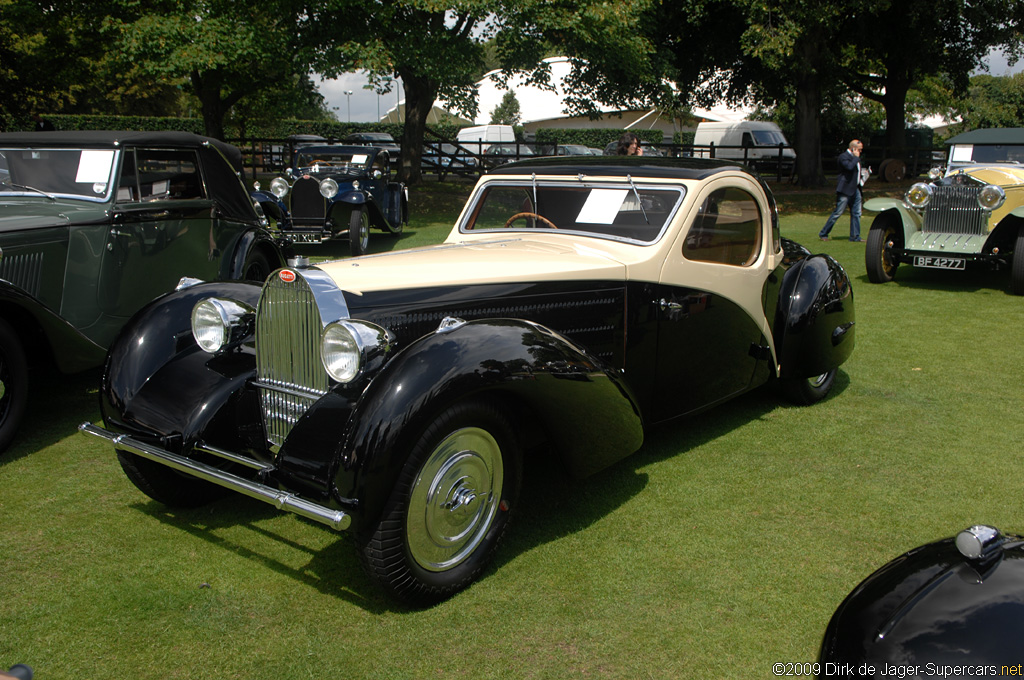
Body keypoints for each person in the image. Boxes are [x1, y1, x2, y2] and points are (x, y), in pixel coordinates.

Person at [819, 139, 867, 242]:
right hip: (845, 189)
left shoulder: (856, 158)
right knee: (838, 212)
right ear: (853, 148)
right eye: (859, 149)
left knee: (856, 213)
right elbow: (849, 167)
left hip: (856, 188)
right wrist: (856, 158)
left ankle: (855, 236)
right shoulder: (843, 157)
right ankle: (824, 233)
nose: (860, 152)